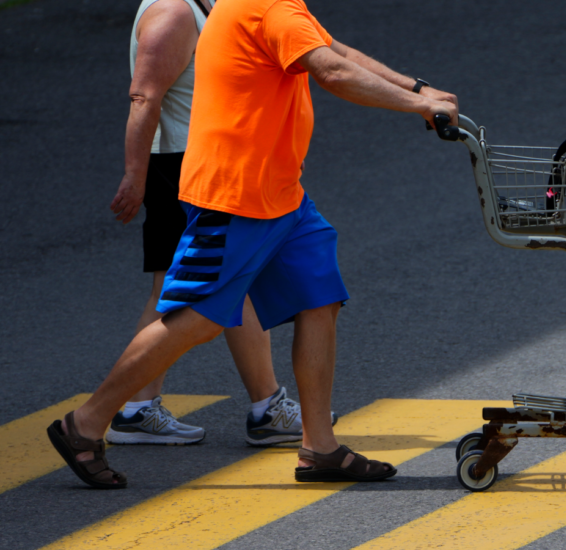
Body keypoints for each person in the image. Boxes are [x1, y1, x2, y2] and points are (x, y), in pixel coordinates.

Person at [47, 0, 458, 488]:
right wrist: (419, 105)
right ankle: (86, 423)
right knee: (197, 317)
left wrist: (416, 86)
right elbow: (330, 71)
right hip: (234, 196)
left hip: (282, 196)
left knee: (320, 299)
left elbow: (332, 49)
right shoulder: (262, 5)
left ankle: (319, 448)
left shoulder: (279, 6)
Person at [106, 0, 336, 447]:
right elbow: (144, 95)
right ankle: (133, 408)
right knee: (186, 290)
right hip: (183, 167)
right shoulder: (173, 12)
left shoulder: (212, 6)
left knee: (222, 284)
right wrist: (135, 175)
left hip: (208, 163)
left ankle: (261, 405)